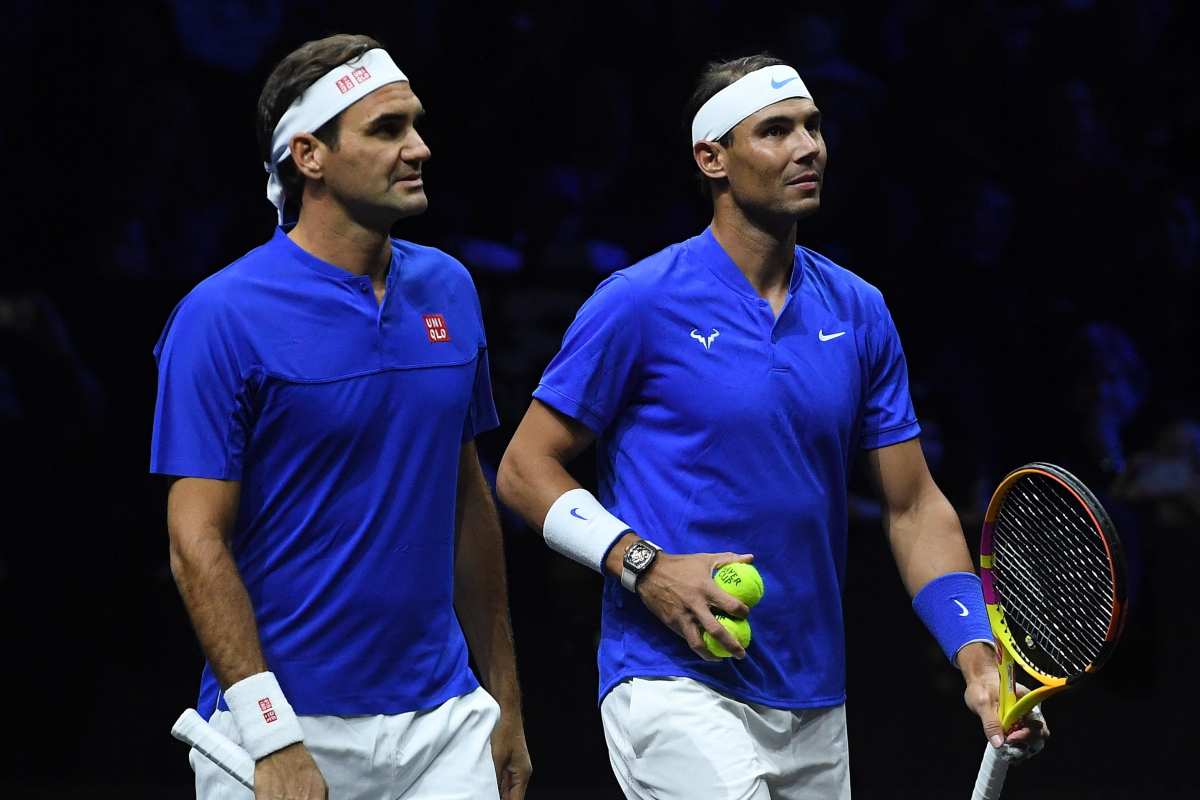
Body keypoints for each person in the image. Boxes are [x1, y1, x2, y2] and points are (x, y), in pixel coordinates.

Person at [496, 54, 1043, 798]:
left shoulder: (859, 311)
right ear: (712, 158)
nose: (808, 146)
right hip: (671, 682)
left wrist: (977, 657)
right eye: (776, 131)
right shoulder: (640, 303)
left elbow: (914, 507)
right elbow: (524, 470)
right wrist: (643, 566)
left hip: (814, 699)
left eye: (814, 127)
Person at [151, 34, 531, 799]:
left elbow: (466, 500)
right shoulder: (221, 315)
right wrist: (270, 732)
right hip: (283, 726)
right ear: (310, 156)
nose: (418, 148)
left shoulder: (451, 290)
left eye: (416, 125)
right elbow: (195, 541)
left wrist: (506, 700)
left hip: (444, 721)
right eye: (387, 130)